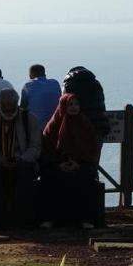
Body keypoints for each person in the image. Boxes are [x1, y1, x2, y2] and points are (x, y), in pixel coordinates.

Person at [0, 88, 42, 227]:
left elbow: (35, 147)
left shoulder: (29, 119)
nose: (8, 112)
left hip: (22, 160)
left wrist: (21, 159)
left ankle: (24, 221)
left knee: (25, 176)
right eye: (4, 108)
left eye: (11, 108)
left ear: (16, 105)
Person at [39, 93, 101, 229]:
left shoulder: (84, 123)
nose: (74, 107)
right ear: (63, 106)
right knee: (50, 178)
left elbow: (91, 147)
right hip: (57, 163)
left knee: (85, 179)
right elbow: (47, 147)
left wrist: (78, 163)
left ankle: (86, 219)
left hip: (80, 163)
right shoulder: (54, 124)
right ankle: (50, 218)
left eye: (76, 104)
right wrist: (59, 163)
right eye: (70, 104)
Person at [62, 66, 110, 143]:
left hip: (79, 126)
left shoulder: (68, 85)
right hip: (99, 125)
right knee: (94, 152)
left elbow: (64, 103)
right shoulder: (96, 84)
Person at [19, 64, 62, 129]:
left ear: (30, 76)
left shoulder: (28, 85)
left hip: (36, 128)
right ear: (45, 74)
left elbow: (22, 108)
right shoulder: (55, 83)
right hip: (55, 126)